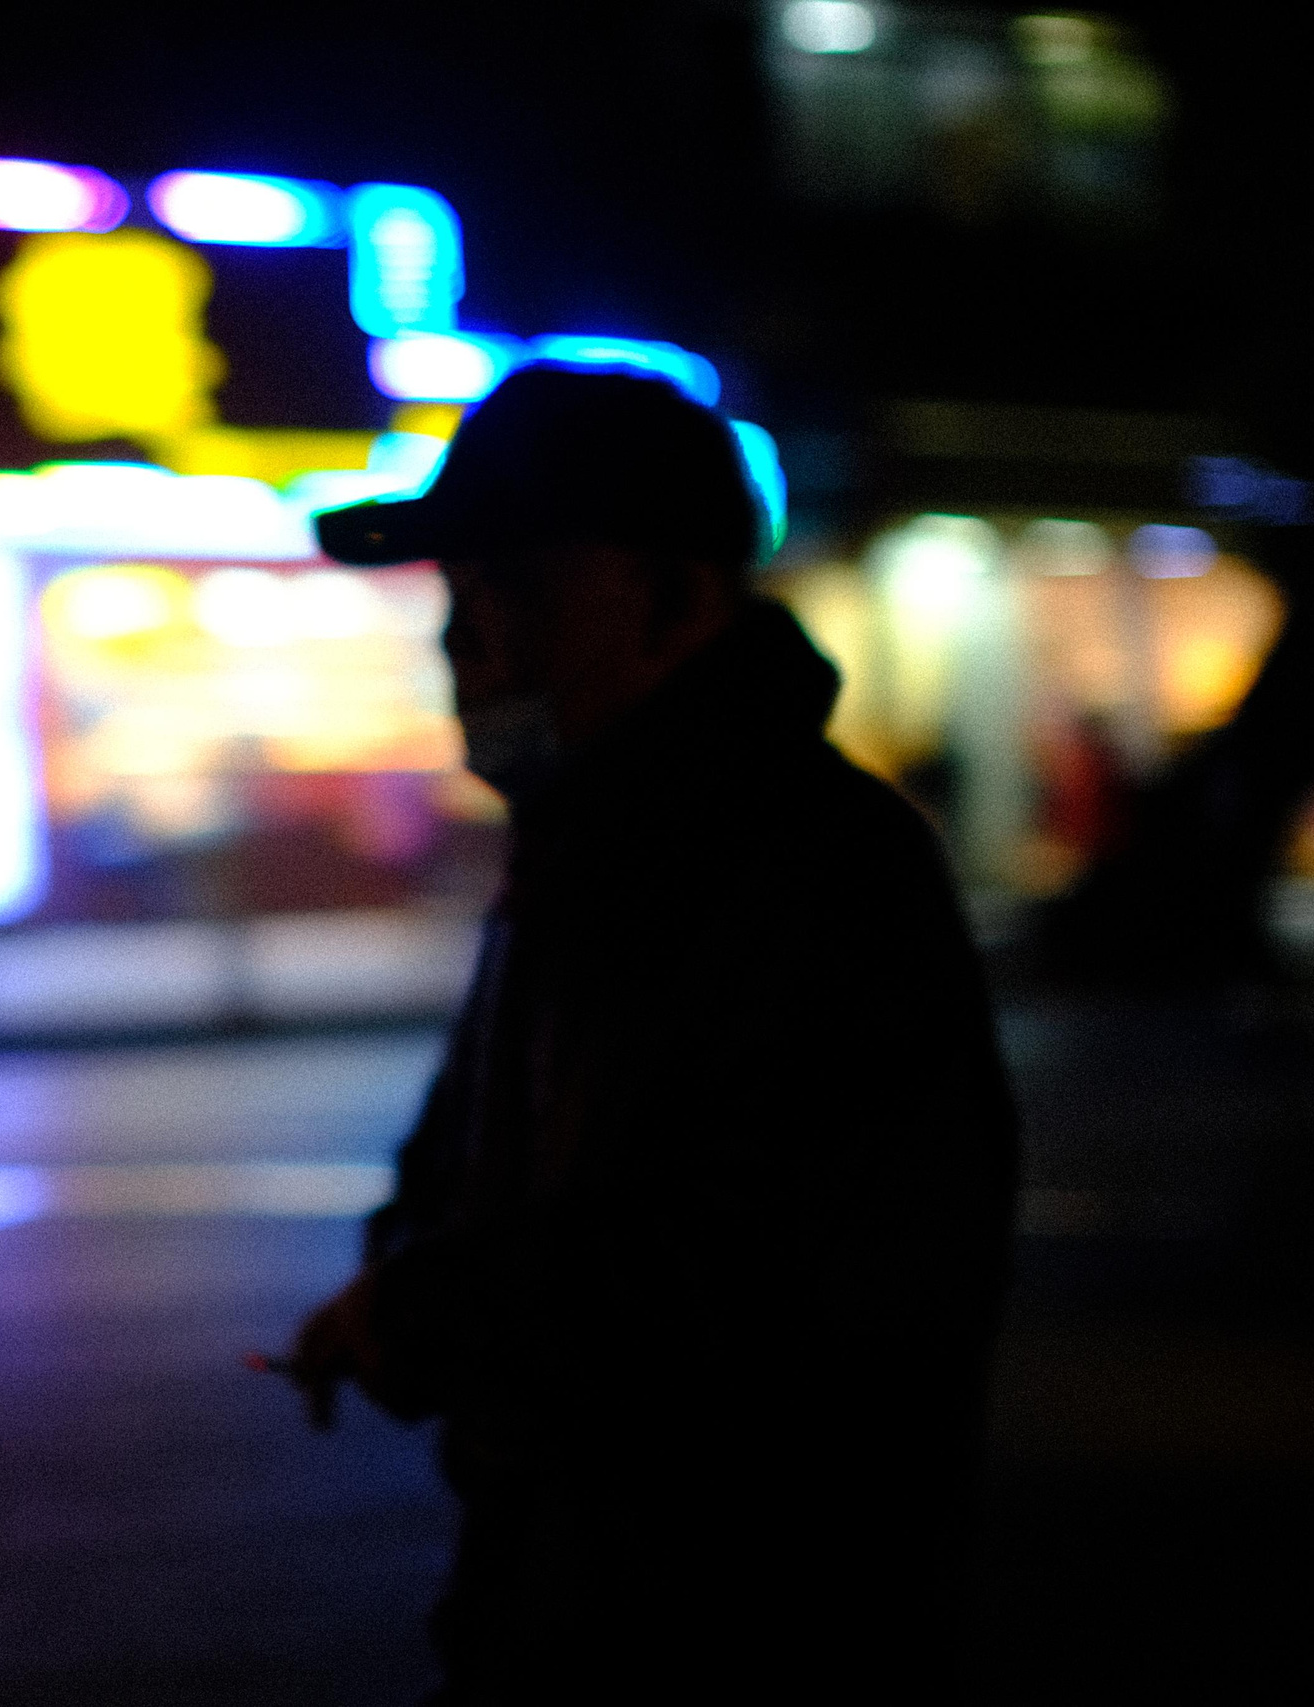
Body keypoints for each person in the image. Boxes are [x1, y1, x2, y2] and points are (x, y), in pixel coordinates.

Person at [288, 366, 1018, 1702]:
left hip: (752, 1630)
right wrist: (404, 1296)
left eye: (514, 592)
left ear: (674, 604)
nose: (464, 643)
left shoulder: (816, 871)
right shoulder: (573, 857)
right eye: (456, 594)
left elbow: (776, 1282)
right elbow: (455, 1178)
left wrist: (437, 1308)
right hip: (549, 1608)